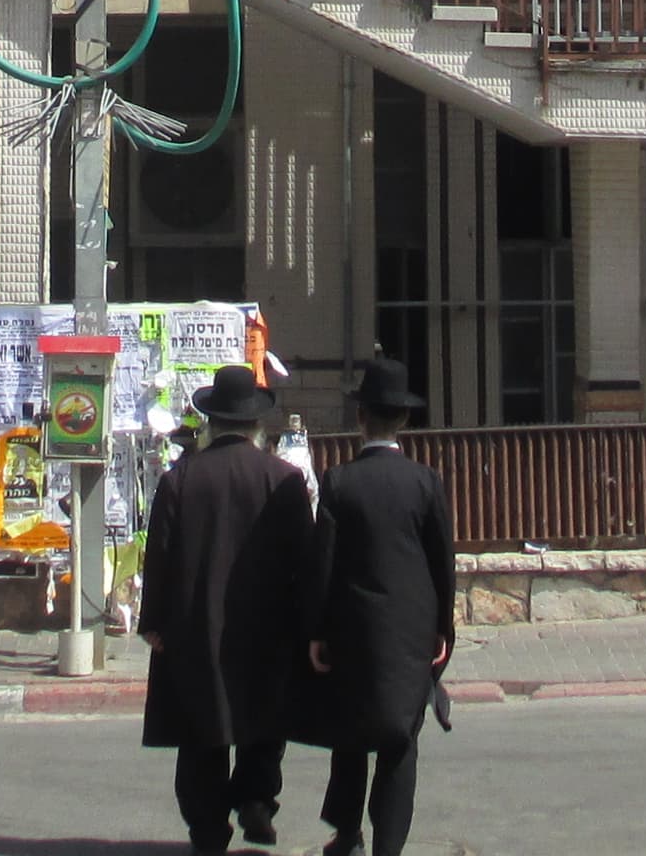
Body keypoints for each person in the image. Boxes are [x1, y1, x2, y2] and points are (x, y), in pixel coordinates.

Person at [140, 362, 317, 856]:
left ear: (211, 423)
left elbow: (161, 556)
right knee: (265, 719)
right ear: (257, 425)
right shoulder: (283, 479)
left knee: (203, 731)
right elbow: (303, 557)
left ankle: (208, 828)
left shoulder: (181, 479)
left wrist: (154, 622)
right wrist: (308, 624)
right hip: (268, 626)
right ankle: (257, 798)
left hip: (198, 626)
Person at [297, 356, 455, 856]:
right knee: (400, 739)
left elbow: (323, 563)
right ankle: (390, 844)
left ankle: (346, 834)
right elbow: (442, 563)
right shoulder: (425, 483)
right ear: (404, 421)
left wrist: (317, 631)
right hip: (412, 630)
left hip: (352, 630)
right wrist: (442, 627)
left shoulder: (339, 482)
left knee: (350, 735)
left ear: (360, 418)